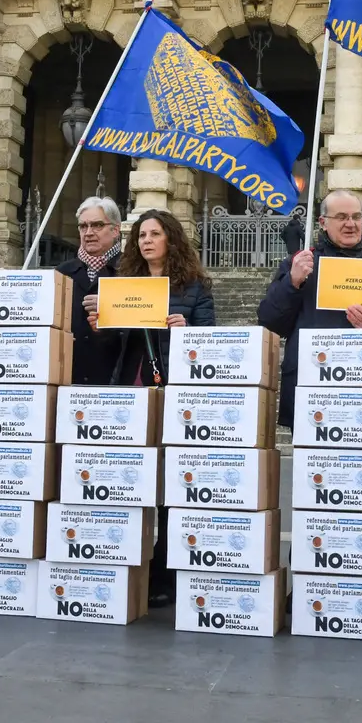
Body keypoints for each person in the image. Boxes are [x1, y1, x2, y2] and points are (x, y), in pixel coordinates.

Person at [83, 209, 215, 609]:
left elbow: (210, 339)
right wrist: (100, 328)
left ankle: (166, 568)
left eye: (154, 234)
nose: (146, 241)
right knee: (135, 479)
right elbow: (111, 346)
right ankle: (128, 562)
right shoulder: (124, 284)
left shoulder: (194, 287)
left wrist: (186, 331)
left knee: (171, 484)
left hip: (176, 391)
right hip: (132, 387)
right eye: (141, 235)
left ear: (171, 239)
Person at [257, 190, 362, 430]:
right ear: (323, 223)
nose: (351, 224)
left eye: (357, 217)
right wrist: (292, 282)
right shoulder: (300, 263)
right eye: (341, 217)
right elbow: (270, 322)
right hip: (311, 384)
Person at [55, 196, 124, 386]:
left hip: (116, 380)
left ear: (115, 229)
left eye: (97, 225)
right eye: (83, 226)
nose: (88, 232)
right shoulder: (62, 272)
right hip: (69, 378)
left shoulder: (132, 271)